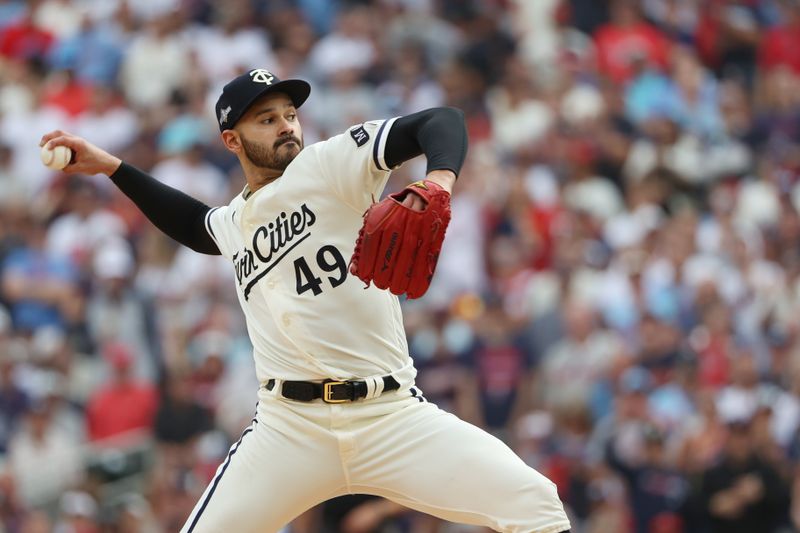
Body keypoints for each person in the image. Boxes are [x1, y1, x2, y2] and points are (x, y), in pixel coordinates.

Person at [40, 68, 571, 533]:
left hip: (390, 417)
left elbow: (442, 121)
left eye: (289, 113)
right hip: (289, 429)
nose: (286, 124)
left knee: (536, 505)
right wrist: (112, 167)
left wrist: (438, 181)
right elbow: (196, 226)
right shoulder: (235, 222)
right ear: (232, 140)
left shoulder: (329, 165)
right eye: (265, 118)